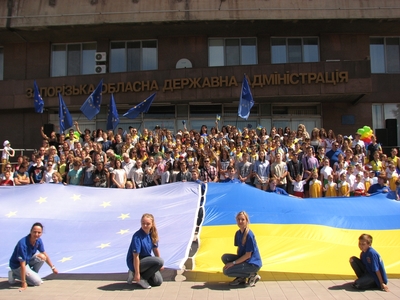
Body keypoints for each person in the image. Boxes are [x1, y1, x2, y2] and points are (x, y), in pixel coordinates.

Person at [8, 222, 58, 291]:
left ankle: (32, 275)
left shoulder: (38, 241)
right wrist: (23, 283)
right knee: (37, 282)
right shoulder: (22, 244)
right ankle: (14, 274)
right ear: (30, 231)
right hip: (17, 266)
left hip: (27, 261)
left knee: (42, 257)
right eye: (34, 232)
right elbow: (22, 264)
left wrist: (53, 267)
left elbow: (44, 253)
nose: (36, 234)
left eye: (39, 232)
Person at [221, 211, 262, 287]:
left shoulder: (249, 235)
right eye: (238, 219)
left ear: (246, 221)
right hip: (245, 260)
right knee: (225, 258)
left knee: (226, 271)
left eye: (242, 219)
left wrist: (233, 263)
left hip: (252, 264)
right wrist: (236, 263)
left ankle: (252, 275)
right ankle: (241, 277)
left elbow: (248, 255)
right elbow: (239, 249)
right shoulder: (238, 233)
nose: (240, 221)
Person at [126, 213, 164, 289]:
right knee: (159, 261)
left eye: (148, 224)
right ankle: (139, 277)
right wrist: (137, 273)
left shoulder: (152, 234)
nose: (145, 226)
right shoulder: (137, 236)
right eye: (143, 223)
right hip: (135, 261)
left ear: (152, 224)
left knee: (158, 281)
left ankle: (136, 274)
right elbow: (135, 256)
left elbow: (155, 249)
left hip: (146, 260)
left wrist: (160, 266)